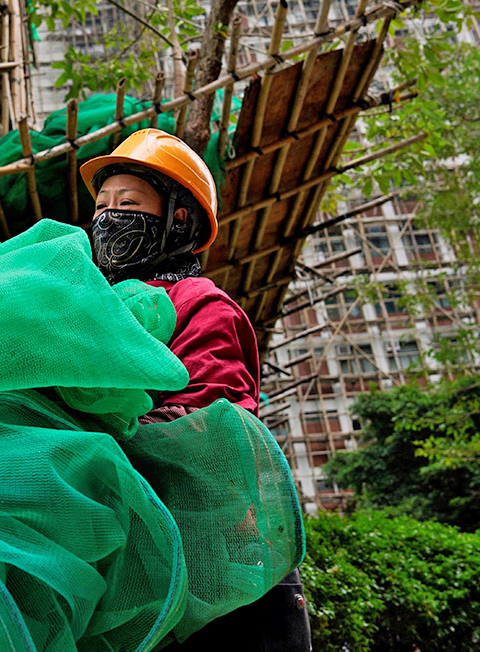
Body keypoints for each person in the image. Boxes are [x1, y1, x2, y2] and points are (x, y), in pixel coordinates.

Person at [79, 128, 312, 651]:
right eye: (102, 205)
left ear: (178, 217)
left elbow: (206, 419)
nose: (108, 217)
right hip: (148, 562)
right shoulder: (94, 309)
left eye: (129, 203)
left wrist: (93, 434)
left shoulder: (201, 304)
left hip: (226, 568)